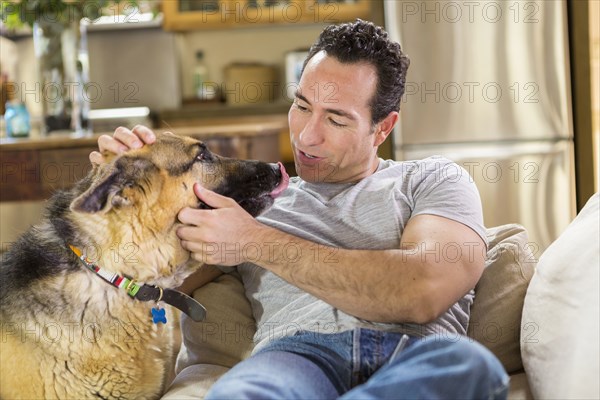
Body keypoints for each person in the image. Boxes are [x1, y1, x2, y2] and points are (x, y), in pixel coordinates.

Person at [92, 19, 508, 400]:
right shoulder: (249, 203)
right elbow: (135, 284)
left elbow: (423, 290)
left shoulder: (434, 180)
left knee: (471, 367)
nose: (306, 136)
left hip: (414, 355)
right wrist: (123, 188)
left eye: (337, 120)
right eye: (303, 105)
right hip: (295, 359)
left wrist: (255, 242)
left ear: (383, 127)